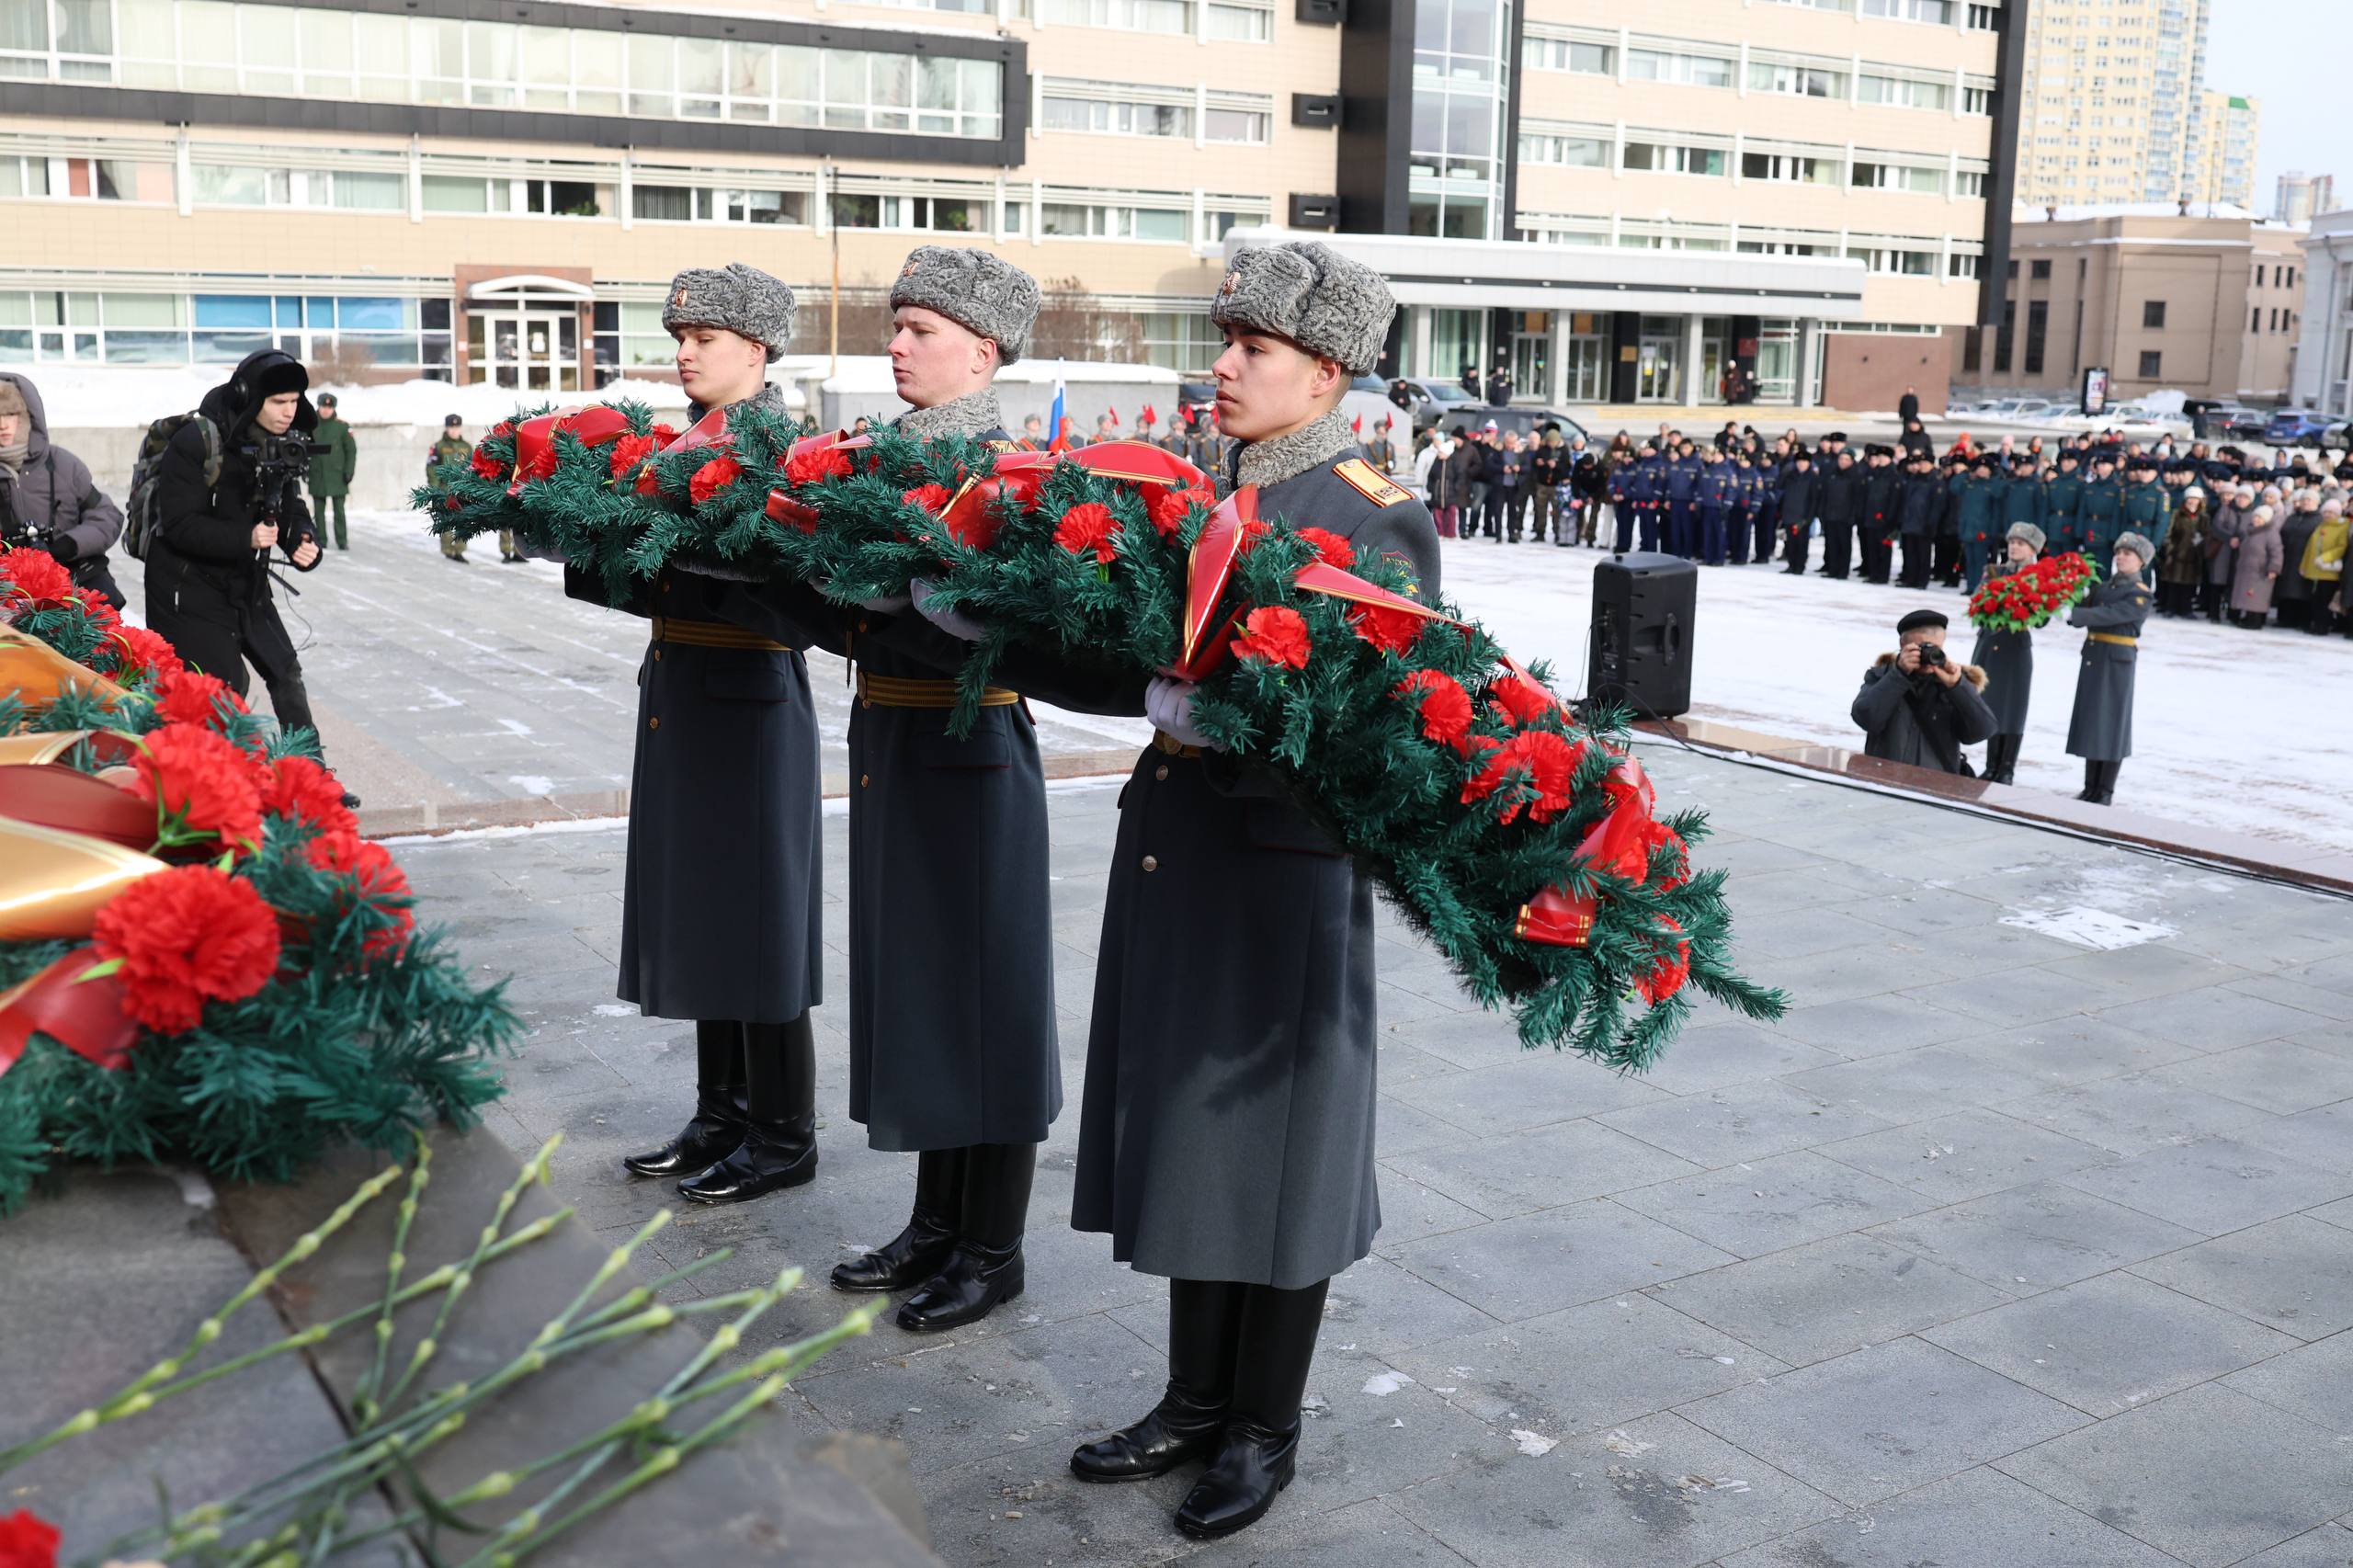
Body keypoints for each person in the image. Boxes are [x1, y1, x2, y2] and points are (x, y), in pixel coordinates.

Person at [1064, 241, 1440, 1542]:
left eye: (1253, 350)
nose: (1220, 367)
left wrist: (1237, 718)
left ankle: (1262, 1426)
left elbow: (1385, 719)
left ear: (1325, 373)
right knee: (1191, 1133)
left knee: (1277, 1156)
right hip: (1179, 849)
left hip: (1277, 878)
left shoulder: (1367, 512)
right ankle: (1191, 1396)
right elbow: (1139, 646)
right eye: (1223, 342)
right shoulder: (1211, 491)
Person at [813, 245, 1063, 1334]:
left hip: (970, 749)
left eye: (920, 329)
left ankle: (991, 1244)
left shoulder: (1009, 475)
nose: (896, 344)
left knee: (987, 1000)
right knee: (918, 990)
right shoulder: (884, 460)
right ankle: (935, 1219)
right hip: (896, 745)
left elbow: (1020, 628)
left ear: (983, 348)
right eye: (896, 324)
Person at [585, 265, 824, 1208]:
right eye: (679, 338)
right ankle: (721, 1111)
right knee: (706, 913)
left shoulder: (784, 450)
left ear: (757, 351)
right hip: (683, 689)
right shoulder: (682, 443)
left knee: (759, 922)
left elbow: (792, 590)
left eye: (706, 339)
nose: (684, 353)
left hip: (748, 698)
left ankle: (783, 1129)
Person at [148, 349, 343, 789]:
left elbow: (288, 505)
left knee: (285, 672)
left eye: (294, 401)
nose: (288, 412)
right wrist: (246, 538)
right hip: (187, 587)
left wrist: (302, 541)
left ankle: (310, 779)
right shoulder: (199, 441)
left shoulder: (284, 440)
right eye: (278, 402)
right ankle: (219, 787)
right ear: (249, 396)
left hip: (243, 582)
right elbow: (177, 525)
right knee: (222, 689)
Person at [0, 370, 126, 609]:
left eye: (11, 414)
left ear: (27, 416)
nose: (3, 424)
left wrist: (69, 544)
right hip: (9, 599)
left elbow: (107, 516)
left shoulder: (62, 464)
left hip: (75, 588)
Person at [1851, 608, 1996, 775]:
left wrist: (1957, 687)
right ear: (1903, 645)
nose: (1927, 654)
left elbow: (1982, 731)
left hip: (1935, 786)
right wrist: (1899, 675)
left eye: (1935, 648)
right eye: (1920, 647)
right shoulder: (1882, 676)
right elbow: (1866, 718)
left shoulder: (1952, 682)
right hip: (1885, 781)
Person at [2065, 532, 2154, 803]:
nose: (2121, 557)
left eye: (2128, 553)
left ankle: (2105, 789)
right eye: (2119, 552)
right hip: (2094, 655)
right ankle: (2090, 785)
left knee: (2112, 723)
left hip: (2118, 660)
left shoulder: (2139, 593)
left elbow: (2113, 614)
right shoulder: (2103, 587)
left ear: (2141, 562)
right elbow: (2084, 607)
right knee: (2094, 721)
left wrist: (2079, 615)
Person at [1972, 523, 2043, 784]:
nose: (2014, 546)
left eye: (2021, 543)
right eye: (2012, 542)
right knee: (1990, 704)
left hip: (2015, 646)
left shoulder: (2038, 577)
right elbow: (1977, 602)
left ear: (2033, 549)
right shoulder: (1994, 571)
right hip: (1990, 641)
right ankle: (1991, 765)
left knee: (2012, 708)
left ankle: (2006, 768)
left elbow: (2041, 618)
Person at [307, 392, 357, 552]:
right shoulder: (310, 425)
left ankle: (342, 540)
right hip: (317, 473)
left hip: (337, 474)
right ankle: (321, 539)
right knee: (319, 510)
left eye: (329, 407)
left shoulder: (341, 427)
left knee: (339, 511)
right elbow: (302, 448)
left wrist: (349, 471)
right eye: (324, 407)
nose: (326, 410)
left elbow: (351, 451)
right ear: (318, 406)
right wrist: (303, 470)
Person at [2154, 488, 2209, 617]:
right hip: (2176, 552)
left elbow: (2206, 534)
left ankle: (2186, 608)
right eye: (2190, 498)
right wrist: (2169, 547)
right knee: (2173, 582)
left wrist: (2199, 546)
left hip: (2194, 554)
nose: (2192, 501)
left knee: (2189, 584)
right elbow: (2169, 531)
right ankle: (2170, 607)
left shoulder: (2203, 517)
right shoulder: (2177, 514)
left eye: (2195, 499)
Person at [2229, 503, 2285, 628]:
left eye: (2260, 518)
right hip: (2247, 569)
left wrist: (2274, 569)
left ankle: (2255, 621)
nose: (2256, 520)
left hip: (2261, 571)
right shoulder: (2250, 531)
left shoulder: (2271, 533)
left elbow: (2276, 552)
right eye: (2255, 517)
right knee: (2247, 595)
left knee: (2257, 596)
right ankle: (2247, 617)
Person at [2300, 499, 2345, 636]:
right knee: (2316, 600)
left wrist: (2325, 558)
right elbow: (2310, 547)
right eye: (2325, 512)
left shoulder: (2342, 527)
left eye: (2331, 512)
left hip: (2329, 571)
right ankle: (2315, 624)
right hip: (2315, 570)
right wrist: (2304, 565)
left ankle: (2322, 626)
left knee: (2325, 601)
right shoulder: (2321, 526)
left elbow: (2341, 547)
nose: (2327, 515)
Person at [1818, 448, 1860, 578]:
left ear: (1852, 461)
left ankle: (1843, 571)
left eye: (1846, 459)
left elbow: (1857, 498)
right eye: (1841, 459)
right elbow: (1825, 494)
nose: (1843, 462)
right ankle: (1833, 569)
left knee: (1844, 545)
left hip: (1845, 516)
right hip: (1830, 514)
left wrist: (1853, 516)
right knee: (1832, 544)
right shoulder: (1832, 474)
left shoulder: (1855, 476)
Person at [1778, 449, 1819, 574]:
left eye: (1804, 461)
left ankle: (1799, 566)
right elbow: (1782, 490)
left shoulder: (1812, 477)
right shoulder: (1790, 475)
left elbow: (1814, 499)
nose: (1801, 464)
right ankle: (1791, 564)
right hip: (1789, 513)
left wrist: (1809, 517)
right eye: (1799, 461)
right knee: (1790, 542)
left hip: (1803, 516)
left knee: (1801, 543)